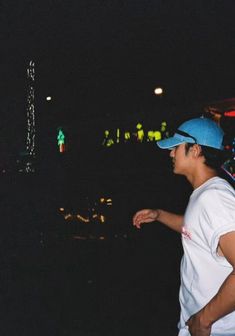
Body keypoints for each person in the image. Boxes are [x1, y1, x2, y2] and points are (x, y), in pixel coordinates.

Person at [133, 117, 235, 336]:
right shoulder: (204, 193)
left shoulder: (215, 198)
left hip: (216, 329)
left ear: (195, 150)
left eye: (176, 147)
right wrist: (159, 215)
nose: (171, 153)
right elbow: (195, 229)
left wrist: (205, 319)